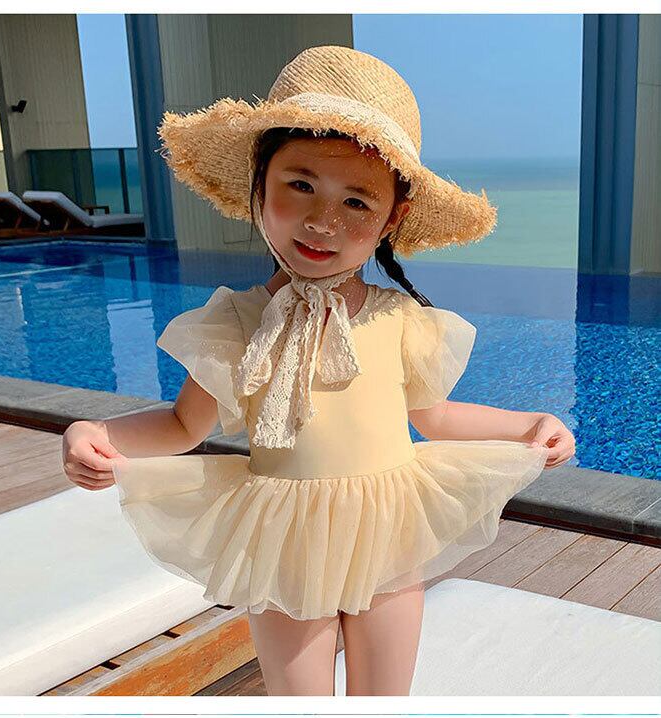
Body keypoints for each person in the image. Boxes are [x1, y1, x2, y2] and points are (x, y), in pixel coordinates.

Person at [61, 45, 576, 696]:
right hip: (285, 541)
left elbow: (435, 416)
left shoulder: (400, 319)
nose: (322, 221)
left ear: (392, 217)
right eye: (300, 185)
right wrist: (94, 433)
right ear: (260, 184)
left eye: (356, 202)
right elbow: (181, 425)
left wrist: (528, 423)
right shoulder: (238, 323)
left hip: (389, 533)